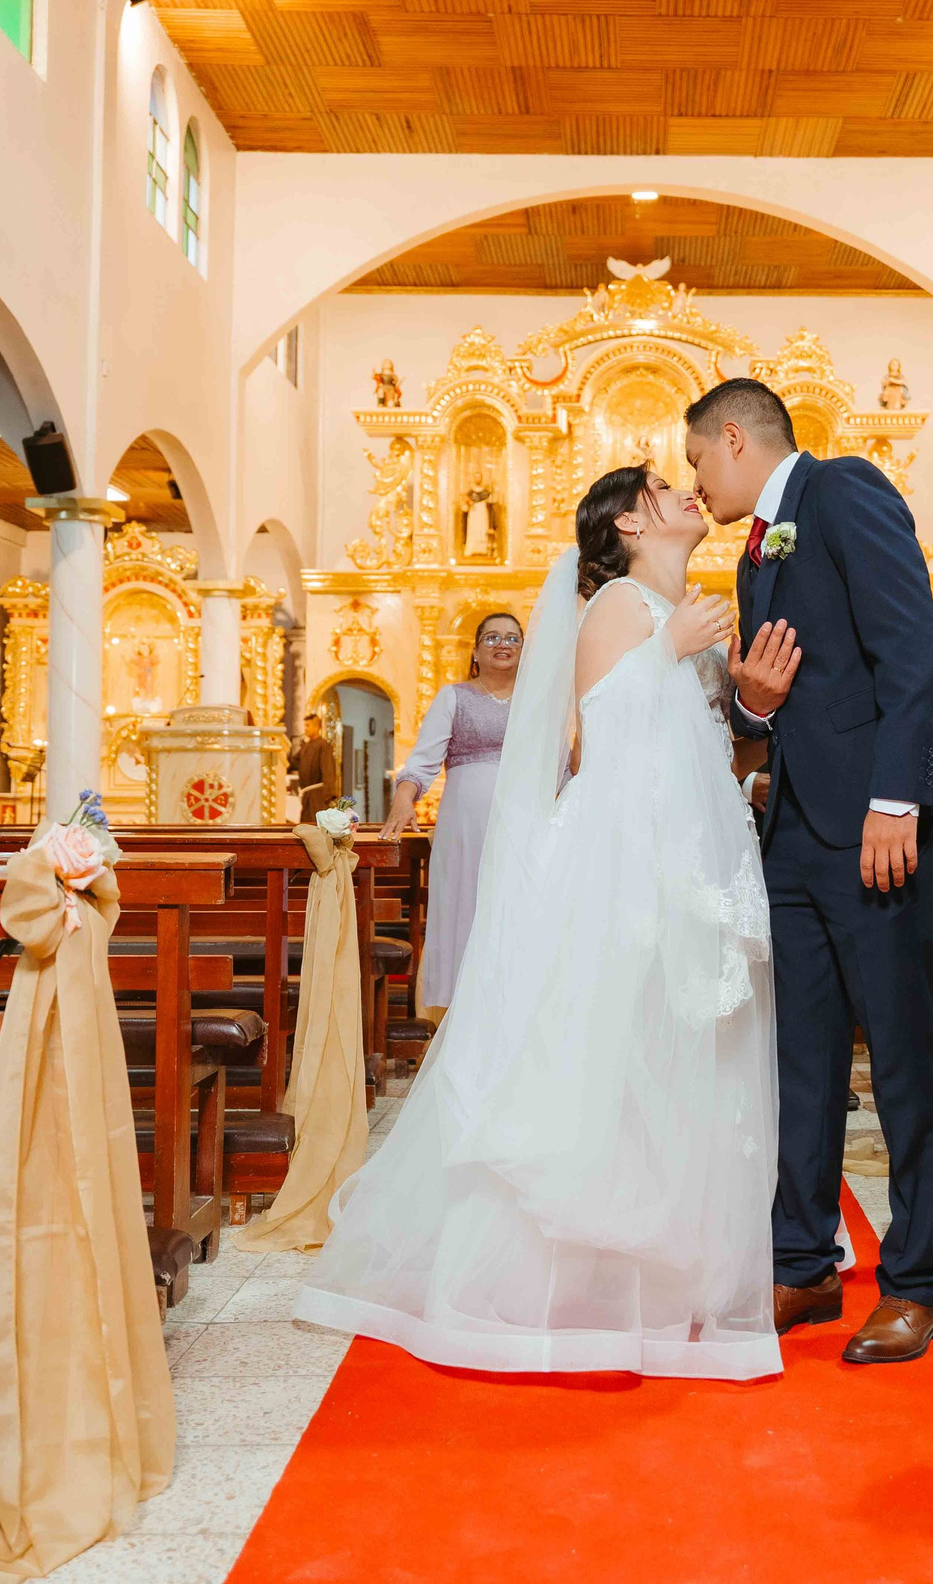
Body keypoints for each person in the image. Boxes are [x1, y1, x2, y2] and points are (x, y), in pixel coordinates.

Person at [298, 465, 785, 1381]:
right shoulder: (620, 610)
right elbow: (601, 736)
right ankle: (568, 1282)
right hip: (622, 861)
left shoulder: (669, 608)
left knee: (674, 1061)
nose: (687, 494)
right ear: (631, 524)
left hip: (681, 851)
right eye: (663, 487)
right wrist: (665, 649)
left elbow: (696, 748)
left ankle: (669, 1273)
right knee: (604, 1061)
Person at [688, 375, 933, 1366]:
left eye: (695, 460)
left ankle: (916, 1283)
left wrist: (895, 797)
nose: (694, 481)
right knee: (798, 1059)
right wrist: (753, 711)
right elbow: (765, 704)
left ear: (733, 438)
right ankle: (802, 1261)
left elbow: (910, 642)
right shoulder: (755, 552)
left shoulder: (844, 489)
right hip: (795, 829)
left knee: (897, 1055)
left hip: (879, 822)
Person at [381, 612, 521, 1021]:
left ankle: (509, 1014)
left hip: (522, 827)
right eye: (492, 637)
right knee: (466, 908)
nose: (503, 644)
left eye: (513, 638)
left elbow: (559, 767)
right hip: (464, 828)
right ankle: (460, 1019)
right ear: (475, 650)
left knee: (514, 911)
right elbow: (422, 763)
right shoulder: (454, 696)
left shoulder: (538, 701)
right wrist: (403, 799)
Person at [291, 713, 339, 817]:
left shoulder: (323, 746)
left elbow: (328, 770)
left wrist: (328, 795)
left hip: (318, 796)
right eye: (305, 725)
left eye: (308, 726)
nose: (305, 729)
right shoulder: (306, 746)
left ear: (317, 727)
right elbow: (294, 763)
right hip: (307, 795)